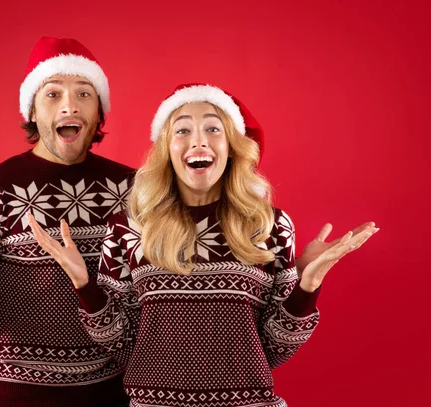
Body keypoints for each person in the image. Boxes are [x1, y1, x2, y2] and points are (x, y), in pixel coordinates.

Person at [28, 83, 379, 407]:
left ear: (231, 147)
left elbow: (273, 350)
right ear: (166, 148)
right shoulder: (129, 228)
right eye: (182, 130)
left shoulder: (269, 227)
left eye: (213, 129)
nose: (198, 142)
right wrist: (84, 284)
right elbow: (122, 344)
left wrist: (308, 285)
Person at [0, 37, 135, 407]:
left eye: (84, 94)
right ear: (33, 112)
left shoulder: (134, 189)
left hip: (115, 392)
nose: (70, 105)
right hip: (21, 396)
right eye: (53, 94)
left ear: (99, 111)